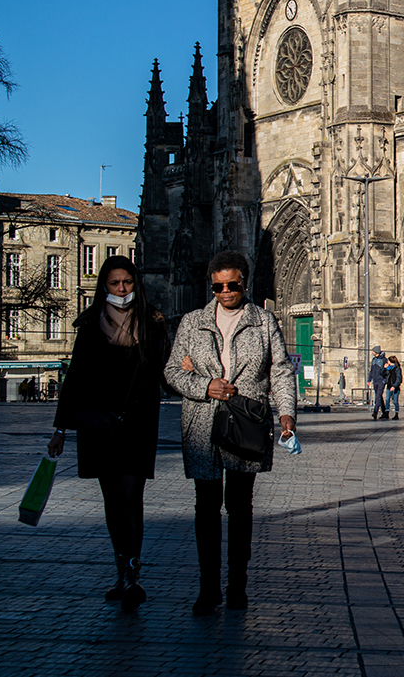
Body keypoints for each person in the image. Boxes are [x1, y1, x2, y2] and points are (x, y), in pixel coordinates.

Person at [164, 251, 297, 616]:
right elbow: (173, 372)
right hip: (201, 426)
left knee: (240, 509)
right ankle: (208, 589)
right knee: (205, 509)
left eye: (232, 285)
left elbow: (281, 371)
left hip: (246, 423)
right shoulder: (192, 323)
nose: (225, 292)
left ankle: (237, 586)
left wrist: (287, 413)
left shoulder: (263, 321)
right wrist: (205, 385)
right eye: (218, 286)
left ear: (245, 283)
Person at [46, 255, 171, 612]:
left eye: (127, 283)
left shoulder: (151, 324)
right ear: (105, 286)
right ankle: (120, 570)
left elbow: (163, 373)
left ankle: (133, 573)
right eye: (115, 283)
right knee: (112, 500)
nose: (121, 289)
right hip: (98, 424)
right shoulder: (90, 325)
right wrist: (60, 429)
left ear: (136, 284)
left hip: (136, 423)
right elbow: (75, 380)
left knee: (131, 495)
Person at [368, 345, 387, 419]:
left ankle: (375, 412)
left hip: (381, 381)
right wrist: (369, 379)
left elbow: (386, 371)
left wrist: (384, 380)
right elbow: (372, 371)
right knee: (379, 397)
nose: (372, 352)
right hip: (375, 381)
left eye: (373, 351)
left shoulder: (384, 360)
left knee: (378, 396)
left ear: (376, 352)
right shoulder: (374, 360)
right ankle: (384, 412)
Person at [383, 354, 402, 420]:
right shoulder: (388, 369)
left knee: (395, 401)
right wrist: (385, 368)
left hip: (395, 387)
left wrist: (394, 386)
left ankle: (396, 413)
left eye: (388, 361)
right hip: (389, 386)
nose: (387, 362)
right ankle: (386, 412)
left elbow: (399, 379)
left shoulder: (397, 369)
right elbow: (383, 374)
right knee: (387, 400)